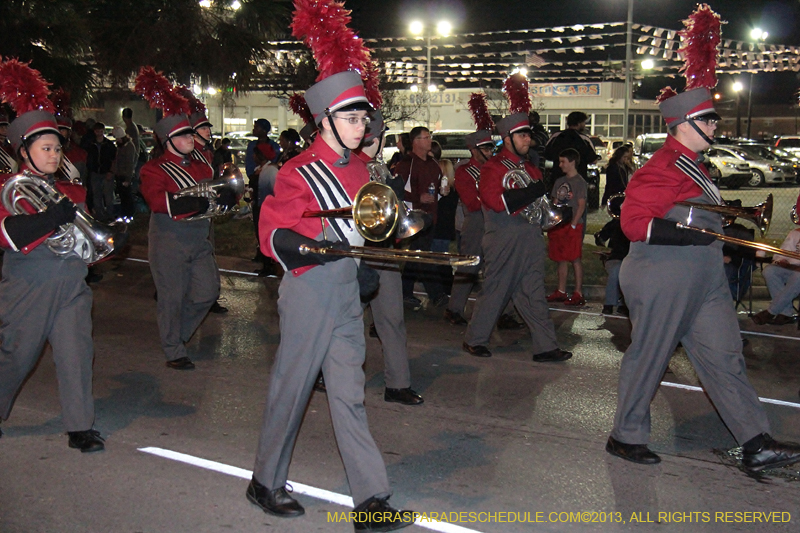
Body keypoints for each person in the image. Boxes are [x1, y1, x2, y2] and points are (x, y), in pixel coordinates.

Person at [250, 70, 413, 531]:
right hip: (309, 287)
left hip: (345, 287)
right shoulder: (297, 170)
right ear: (325, 120)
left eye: (364, 119)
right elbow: (272, 235)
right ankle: (265, 481)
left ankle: (371, 499)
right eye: (351, 119)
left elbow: (365, 228)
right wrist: (317, 245)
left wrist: (364, 263)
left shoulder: (360, 169)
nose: (362, 127)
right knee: (293, 387)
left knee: (349, 393)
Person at [606, 86, 800, 472]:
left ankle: (755, 442)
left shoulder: (695, 165)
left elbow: (702, 219)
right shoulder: (662, 166)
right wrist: (688, 234)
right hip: (665, 273)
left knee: (725, 356)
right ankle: (625, 435)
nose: (714, 126)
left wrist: (736, 241)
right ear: (683, 124)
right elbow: (633, 223)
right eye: (707, 120)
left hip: (704, 274)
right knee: (650, 356)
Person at [0, 62, 104, 452]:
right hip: (29, 283)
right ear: (24, 150)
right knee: (16, 355)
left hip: (71, 281)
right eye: (46, 148)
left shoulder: (72, 190)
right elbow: (7, 234)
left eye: (57, 148)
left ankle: (80, 425)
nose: (54, 154)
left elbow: (86, 241)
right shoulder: (8, 187)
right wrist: (50, 218)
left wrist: (103, 239)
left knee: (77, 353)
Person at [462, 109, 572, 363]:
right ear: (507, 138)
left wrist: (559, 210)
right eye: (522, 135)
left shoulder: (530, 168)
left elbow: (539, 207)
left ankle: (546, 346)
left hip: (530, 236)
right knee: (496, 289)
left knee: (533, 292)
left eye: (528, 135)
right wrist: (531, 192)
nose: (527, 140)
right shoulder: (493, 167)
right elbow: (495, 201)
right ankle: (474, 339)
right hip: (504, 235)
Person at [136, 66, 227, 370]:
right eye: (184, 134)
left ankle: (178, 335)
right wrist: (196, 202)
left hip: (199, 238)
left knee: (207, 291)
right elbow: (158, 201)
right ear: (169, 140)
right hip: (169, 239)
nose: (191, 137)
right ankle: (173, 348)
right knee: (171, 298)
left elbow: (213, 196)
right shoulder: (154, 169)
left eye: (190, 133)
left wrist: (224, 198)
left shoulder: (202, 167)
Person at [356, 110, 424, 406]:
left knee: (392, 319)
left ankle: (398, 384)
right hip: (358, 253)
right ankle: (329, 375)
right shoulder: (350, 167)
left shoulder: (379, 168)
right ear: (378, 137)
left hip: (383, 251)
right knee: (348, 322)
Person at [394, 126, 448, 310]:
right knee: (421, 254)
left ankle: (405, 293)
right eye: (426, 137)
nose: (429, 140)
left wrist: (443, 191)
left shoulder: (433, 164)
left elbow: (437, 187)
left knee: (415, 255)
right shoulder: (406, 164)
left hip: (430, 216)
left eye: (429, 136)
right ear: (415, 141)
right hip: (414, 217)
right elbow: (396, 191)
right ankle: (437, 294)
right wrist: (418, 198)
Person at [445, 130, 493, 325]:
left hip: (495, 221)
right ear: (474, 150)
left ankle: (503, 312)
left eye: (491, 148)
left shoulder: (494, 168)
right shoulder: (465, 171)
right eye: (485, 149)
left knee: (499, 267)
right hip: (476, 222)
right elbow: (472, 203)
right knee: (469, 267)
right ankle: (454, 308)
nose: (490, 152)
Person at [546, 148, 587, 306]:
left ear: (572, 162)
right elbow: (555, 202)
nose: (560, 165)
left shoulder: (579, 182)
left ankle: (578, 292)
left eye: (563, 161)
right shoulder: (559, 181)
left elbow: (581, 205)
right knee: (560, 258)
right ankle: (561, 290)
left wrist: (574, 224)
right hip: (561, 224)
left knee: (574, 258)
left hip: (573, 224)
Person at [751, 227, 800, 326]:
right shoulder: (795, 233)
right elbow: (783, 252)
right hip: (791, 267)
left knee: (798, 276)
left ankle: (771, 312)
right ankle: (785, 312)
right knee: (769, 271)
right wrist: (782, 260)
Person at [594, 198, 630, 316]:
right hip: (616, 258)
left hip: (631, 259)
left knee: (626, 270)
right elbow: (600, 239)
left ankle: (624, 304)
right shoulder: (614, 223)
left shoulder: (634, 224)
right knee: (616, 270)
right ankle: (609, 304)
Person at [544, 110, 598, 183]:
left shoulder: (556, 136)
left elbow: (546, 154)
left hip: (558, 178)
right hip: (578, 179)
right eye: (584, 122)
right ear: (579, 123)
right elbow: (593, 160)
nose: (584, 125)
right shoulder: (584, 139)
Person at [86, 121, 117, 221]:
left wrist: (111, 172)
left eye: (101, 131)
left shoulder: (109, 145)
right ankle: (100, 216)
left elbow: (114, 159)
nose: (99, 133)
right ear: (94, 132)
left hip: (106, 172)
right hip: (95, 172)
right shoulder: (91, 144)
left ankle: (110, 216)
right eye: (97, 131)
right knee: (97, 195)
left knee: (108, 196)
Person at [111, 126, 137, 219]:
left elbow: (129, 163)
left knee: (127, 197)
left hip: (124, 175)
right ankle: (125, 214)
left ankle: (129, 214)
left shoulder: (128, 147)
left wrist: (128, 179)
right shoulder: (122, 146)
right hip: (120, 174)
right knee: (123, 196)